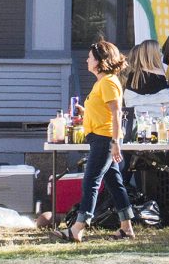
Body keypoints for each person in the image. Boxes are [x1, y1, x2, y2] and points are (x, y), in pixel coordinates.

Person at [53, 40, 135, 243]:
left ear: (100, 60)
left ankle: (78, 228)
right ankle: (127, 227)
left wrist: (116, 141)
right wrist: (85, 111)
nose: (87, 59)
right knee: (114, 183)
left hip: (105, 139)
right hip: (100, 137)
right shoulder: (102, 82)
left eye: (90, 57)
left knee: (90, 181)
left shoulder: (108, 81)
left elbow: (117, 113)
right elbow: (105, 111)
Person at [122, 40, 169, 117]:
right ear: (153, 54)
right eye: (159, 51)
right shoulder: (159, 74)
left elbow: (128, 102)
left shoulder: (133, 75)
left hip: (138, 123)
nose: (161, 54)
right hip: (158, 122)